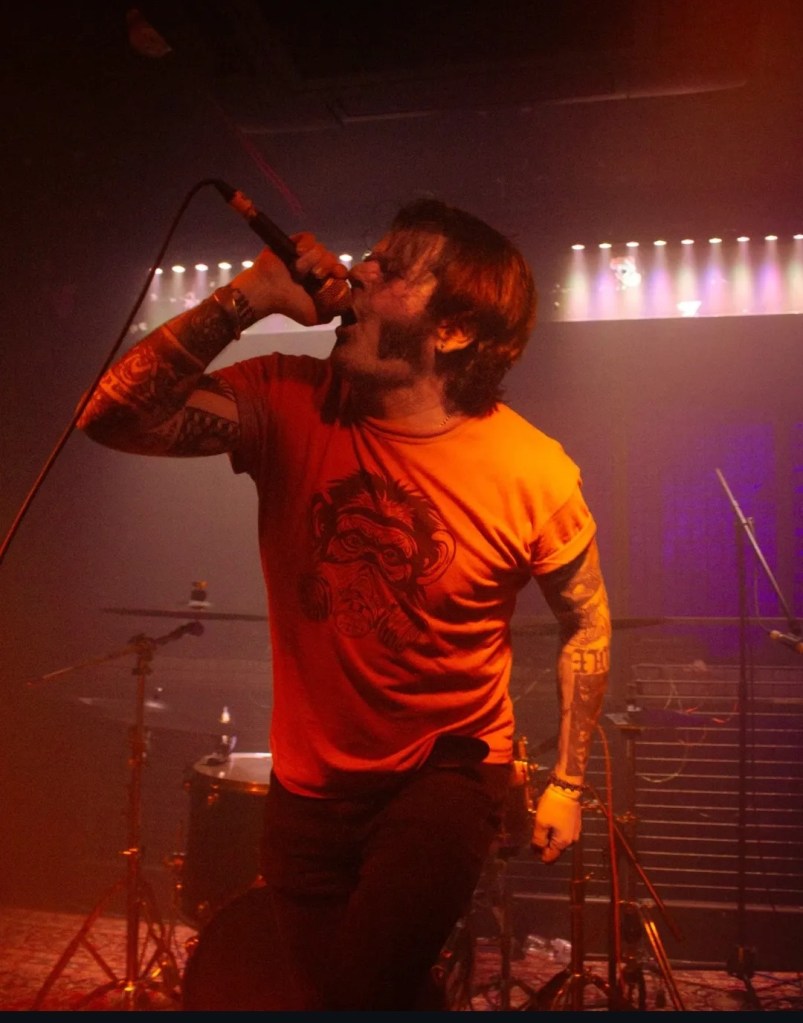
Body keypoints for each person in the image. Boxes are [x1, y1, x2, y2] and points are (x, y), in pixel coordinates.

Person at [78, 197, 611, 1010]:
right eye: (370, 256)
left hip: (443, 771)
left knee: (360, 991)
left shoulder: (531, 471)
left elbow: (587, 622)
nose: (359, 271)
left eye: (392, 269)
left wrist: (567, 782)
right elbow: (110, 415)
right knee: (337, 990)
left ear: (453, 329)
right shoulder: (288, 398)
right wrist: (249, 296)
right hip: (307, 787)